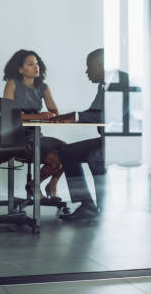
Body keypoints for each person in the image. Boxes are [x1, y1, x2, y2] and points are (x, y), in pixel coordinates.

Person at [52, 48, 112, 220]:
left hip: (130, 142)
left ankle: (105, 209)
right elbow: (94, 112)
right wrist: (70, 116)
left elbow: (111, 114)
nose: (86, 71)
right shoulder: (105, 85)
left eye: (89, 66)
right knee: (66, 152)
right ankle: (86, 205)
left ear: (101, 66)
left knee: (96, 156)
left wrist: (75, 116)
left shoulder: (121, 81)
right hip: (109, 140)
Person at [2, 49, 64, 198]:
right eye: (30, 64)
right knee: (55, 162)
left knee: (69, 151)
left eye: (37, 63)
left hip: (36, 135)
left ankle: (52, 183)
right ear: (20, 69)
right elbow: (9, 113)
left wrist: (28, 116)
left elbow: (54, 112)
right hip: (18, 138)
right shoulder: (13, 83)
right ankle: (34, 185)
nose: (36, 67)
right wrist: (38, 116)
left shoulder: (43, 87)